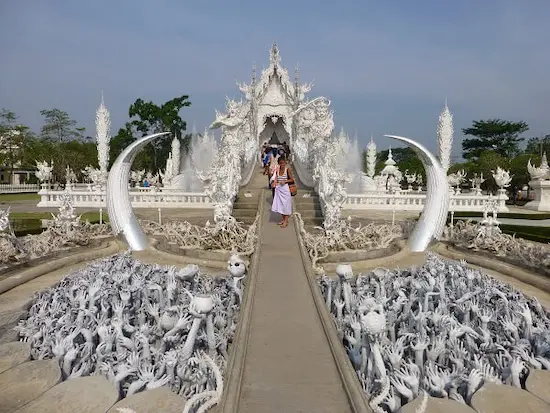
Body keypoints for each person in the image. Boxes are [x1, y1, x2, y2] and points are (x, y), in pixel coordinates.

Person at [271, 157, 294, 228]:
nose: (282, 164)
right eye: (281, 163)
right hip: (279, 189)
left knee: (286, 205)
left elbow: (292, 179)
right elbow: (276, 179)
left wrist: (285, 181)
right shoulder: (277, 170)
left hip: (285, 189)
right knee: (280, 205)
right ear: (279, 163)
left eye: (283, 163)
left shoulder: (288, 169)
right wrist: (274, 183)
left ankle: (286, 221)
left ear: (285, 163)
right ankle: (283, 220)